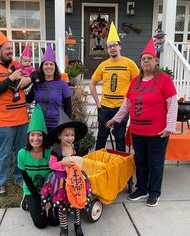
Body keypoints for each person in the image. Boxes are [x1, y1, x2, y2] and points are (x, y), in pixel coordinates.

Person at [106, 39, 178, 207]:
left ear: (156, 61)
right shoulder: (135, 82)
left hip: (157, 133)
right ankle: (141, 189)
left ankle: (154, 192)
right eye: (143, 58)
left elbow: (172, 103)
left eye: (149, 58)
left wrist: (169, 127)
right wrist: (115, 119)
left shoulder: (164, 80)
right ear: (140, 62)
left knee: (156, 163)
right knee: (140, 162)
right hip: (137, 131)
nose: (146, 61)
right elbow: (127, 104)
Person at [0, 25, 31, 196]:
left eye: (11, 48)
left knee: (20, 152)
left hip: (21, 118)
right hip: (4, 120)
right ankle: (0, 182)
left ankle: (19, 177)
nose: (11, 51)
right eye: (7, 49)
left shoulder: (16, 65)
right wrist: (11, 78)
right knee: (3, 153)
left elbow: (31, 74)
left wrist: (30, 79)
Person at [89, 21, 139, 151]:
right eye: (109, 46)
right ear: (107, 49)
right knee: (101, 137)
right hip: (104, 107)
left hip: (121, 108)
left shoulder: (130, 64)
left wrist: (130, 102)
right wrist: (98, 104)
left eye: (115, 45)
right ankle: (98, 163)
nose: (112, 48)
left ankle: (119, 166)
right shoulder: (103, 65)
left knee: (119, 138)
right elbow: (92, 83)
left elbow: (138, 84)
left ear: (120, 46)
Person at [41, 109, 92, 236]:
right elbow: (52, 165)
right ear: (59, 136)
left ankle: (77, 225)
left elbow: (80, 162)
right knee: (62, 206)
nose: (70, 138)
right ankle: (64, 228)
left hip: (75, 180)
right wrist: (63, 163)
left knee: (77, 203)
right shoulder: (56, 149)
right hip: (61, 183)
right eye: (66, 135)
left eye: (72, 135)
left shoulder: (76, 147)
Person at [18, 104, 59, 229]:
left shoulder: (50, 152)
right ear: (28, 136)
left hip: (49, 190)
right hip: (32, 190)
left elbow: (54, 178)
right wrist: (40, 200)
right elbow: (26, 179)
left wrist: (49, 199)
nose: (36, 138)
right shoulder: (22, 153)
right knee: (41, 224)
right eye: (32, 134)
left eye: (39, 134)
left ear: (44, 136)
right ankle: (27, 200)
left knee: (54, 221)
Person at [26, 43, 72, 131]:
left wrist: (66, 126)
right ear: (42, 67)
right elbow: (27, 100)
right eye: (46, 64)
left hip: (57, 125)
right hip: (39, 124)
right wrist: (29, 79)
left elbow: (68, 108)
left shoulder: (62, 84)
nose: (49, 67)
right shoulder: (37, 84)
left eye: (51, 64)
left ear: (55, 67)